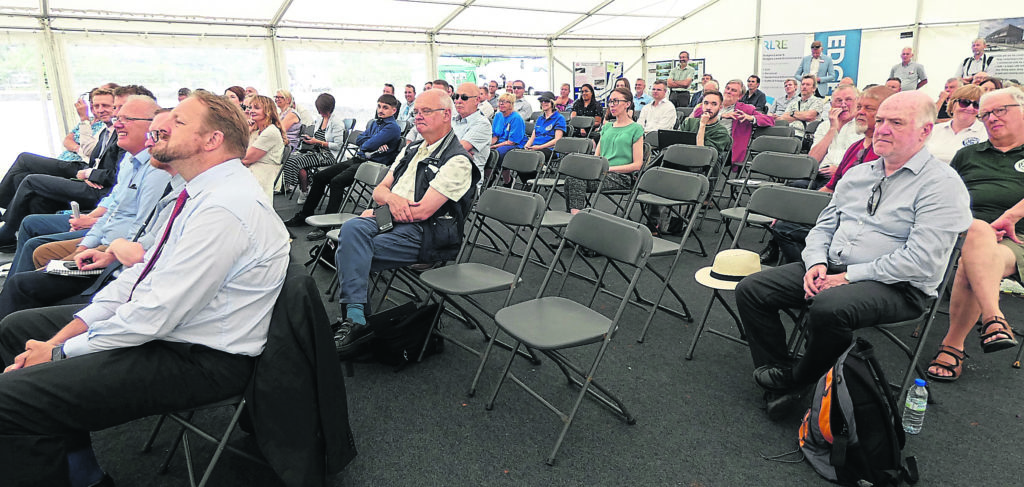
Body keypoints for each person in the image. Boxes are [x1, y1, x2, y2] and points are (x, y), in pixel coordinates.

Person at [0, 90, 289, 487]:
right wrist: (62, 339)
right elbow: (140, 278)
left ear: (212, 141)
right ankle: (81, 472)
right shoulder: (199, 193)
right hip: (171, 332)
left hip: (200, 357)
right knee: (17, 328)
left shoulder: (224, 208)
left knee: (8, 398)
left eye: (179, 122)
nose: (161, 127)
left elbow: (155, 314)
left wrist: (60, 351)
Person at [734, 91, 972, 416]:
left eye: (896, 122)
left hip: (899, 286)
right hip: (834, 266)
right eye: (883, 119)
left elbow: (921, 260)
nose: (883, 128)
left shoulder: (942, 185)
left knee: (830, 306)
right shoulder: (859, 174)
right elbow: (822, 228)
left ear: (925, 131)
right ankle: (782, 375)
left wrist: (845, 277)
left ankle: (799, 377)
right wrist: (816, 262)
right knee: (753, 289)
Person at [332, 88, 478, 355]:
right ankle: (357, 319)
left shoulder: (458, 160)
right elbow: (379, 190)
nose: (418, 116)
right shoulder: (412, 149)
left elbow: (423, 212)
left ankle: (354, 318)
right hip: (392, 219)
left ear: (447, 115)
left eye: (426, 111)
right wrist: (390, 201)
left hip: (425, 233)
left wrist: (389, 202)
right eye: (416, 111)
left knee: (352, 250)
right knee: (351, 228)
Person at [0, 109, 176, 320]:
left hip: (118, 247)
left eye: (158, 136)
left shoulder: (161, 175)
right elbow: (116, 208)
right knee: (35, 205)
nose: (116, 122)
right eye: (117, 118)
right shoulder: (128, 159)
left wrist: (109, 247)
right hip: (112, 243)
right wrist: (88, 239)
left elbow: (139, 231)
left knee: (31, 189)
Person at [927, 88, 1024, 382]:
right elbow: (945, 195)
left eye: (1000, 110)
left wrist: (1011, 215)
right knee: (976, 230)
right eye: (986, 114)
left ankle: (953, 344)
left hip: (1017, 240)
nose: (991, 118)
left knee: (974, 254)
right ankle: (993, 318)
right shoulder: (968, 154)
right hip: (961, 234)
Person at [767, 86, 893, 265]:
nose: (858, 112)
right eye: (838, 101)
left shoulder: (885, 150)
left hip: (854, 218)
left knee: (786, 227)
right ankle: (808, 268)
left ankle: (813, 269)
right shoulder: (853, 145)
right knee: (789, 202)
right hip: (825, 184)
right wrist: (792, 210)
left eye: (867, 108)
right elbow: (815, 166)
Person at [283, 94, 402, 234]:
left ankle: (326, 225)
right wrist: (371, 141)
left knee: (337, 182)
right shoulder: (375, 123)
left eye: (385, 107)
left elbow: (367, 144)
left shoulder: (392, 128)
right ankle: (304, 215)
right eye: (379, 106)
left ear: (393, 111)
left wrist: (370, 141)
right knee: (320, 177)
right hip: (359, 159)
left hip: (373, 165)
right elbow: (360, 140)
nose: (381, 110)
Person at [0, 87, 116, 210]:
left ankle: (5, 213)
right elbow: (67, 140)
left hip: (79, 165)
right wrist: (78, 147)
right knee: (20, 176)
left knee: (24, 159)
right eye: (95, 106)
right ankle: (14, 218)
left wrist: (84, 121)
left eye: (105, 105)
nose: (99, 110)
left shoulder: (106, 127)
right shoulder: (98, 125)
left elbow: (89, 151)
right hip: (70, 159)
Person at [565, 87, 644, 212]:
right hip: (601, 172)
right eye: (610, 101)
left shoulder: (636, 129)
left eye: (616, 101)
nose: (611, 105)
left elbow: (637, 165)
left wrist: (608, 168)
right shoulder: (607, 127)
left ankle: (576, 219)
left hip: (621, 176)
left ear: (627, 104)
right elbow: (597, 157)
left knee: (576, 180)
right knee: (571, 178)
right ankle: (575, 216)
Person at [690, 79, 774, 167]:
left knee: (699, 156)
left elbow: (770, 120)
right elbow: (697, 113)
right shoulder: (713, 103)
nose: (729, 92)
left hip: (724, 147)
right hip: (703, 138)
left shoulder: (745, 109)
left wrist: (751, 118)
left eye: (733, 90)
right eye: (728, 88)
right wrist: (721, 115)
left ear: (740, 96)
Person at [280, 93, 346, 203]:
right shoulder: (320, 120)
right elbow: (316, 139)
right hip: (317, 151)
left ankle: (305, 190)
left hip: (329, 155)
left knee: (297, 161)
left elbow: (338, 145)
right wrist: (310, 139)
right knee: (290, 158)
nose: (319, 111)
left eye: (321, 109)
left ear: (327, 108)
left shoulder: (336, 123)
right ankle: (305, 187)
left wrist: (317, 142)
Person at [806, 84, 861, 188]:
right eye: (839, 101)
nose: (843, 105)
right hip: (819, 177)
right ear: (831, 104)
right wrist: (832, 128)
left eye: (848, 100)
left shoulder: (864, 126)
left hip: (848, 179)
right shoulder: (824, 125)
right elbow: (813, 159)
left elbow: (866, 162)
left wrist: (840, 170)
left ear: (858, 103)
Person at [926, 84, 988, 164]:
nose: (970, 108)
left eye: (976, 105)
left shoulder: (987, 133)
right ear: (953, 104)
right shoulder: (933, 130)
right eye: (964, 102)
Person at [241, 94, 287, 199]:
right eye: (250, 107)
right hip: (257, 169)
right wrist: (248, 131)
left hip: (264, 173)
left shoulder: (270, 132)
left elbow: (245, 159)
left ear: (268, 111)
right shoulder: (257, 131)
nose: (251, 111)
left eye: (256, 108)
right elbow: (242, 150)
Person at [451, 83, 492, 180]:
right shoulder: (451, 120)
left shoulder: (482, 124)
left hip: (465, 179)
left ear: (477, 100)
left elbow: (457, 150)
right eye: (456, 97)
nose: (458, 101)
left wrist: (455, 151)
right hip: (445, 172)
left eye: (464, 97)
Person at [490, 92, 528, 181]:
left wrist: (494, 146)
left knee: (498, 153)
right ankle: (490, 177)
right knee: (484, 151)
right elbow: (495, 136)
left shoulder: (516, 118)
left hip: (515, 144)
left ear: (511, 104)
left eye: (505, 102)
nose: (501, 104)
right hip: (501, 142)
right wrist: (488, 145)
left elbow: (512, 141)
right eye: (500, 101)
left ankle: (508, 180)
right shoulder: (498, 115)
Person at [523, 93, 566, 160]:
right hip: (535, 147)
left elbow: (557, 140)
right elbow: (532, 137)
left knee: (532, 157)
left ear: (552, 102)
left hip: (549, 149)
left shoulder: (559, 118)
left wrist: (540, 147)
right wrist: (526, 146)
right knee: (520, 155)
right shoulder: (540, 118)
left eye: (546, 101)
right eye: (541, 101)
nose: (543, 103)